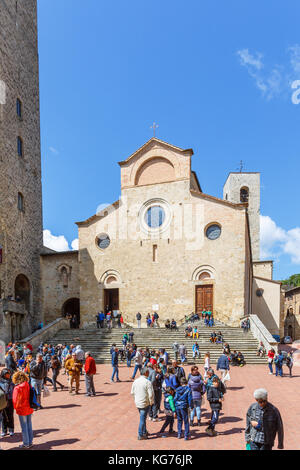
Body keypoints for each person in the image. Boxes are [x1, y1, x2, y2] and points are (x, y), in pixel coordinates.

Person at [12, 371, 34, 449]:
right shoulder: (28, 385)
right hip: (29, 407)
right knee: (29, 425)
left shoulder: (17, 388)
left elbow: (15, 400)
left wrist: (16, 408)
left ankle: (26, 443)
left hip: (22, 409)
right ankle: (30, 442)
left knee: (24, 427)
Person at [131, 367, 154, 440]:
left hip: (138, 402)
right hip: (145, 402)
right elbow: (151, 394)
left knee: (143, 418)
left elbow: (132, 392)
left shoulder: (135, 381)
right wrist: (151, 402)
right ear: (145, 373)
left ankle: (144, 431)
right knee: (142, 419)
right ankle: (140, 434)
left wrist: (135, 400)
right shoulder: (148, 382)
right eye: (148, 372)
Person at [0, 368, 15, 437]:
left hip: (10, 400)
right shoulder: (0, 382)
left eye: (9, 373)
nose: (9, 375)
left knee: (10, 415)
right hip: (3, 401)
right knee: (3, 416)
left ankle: (11, 430)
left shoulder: (12, 382)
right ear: (3, 374)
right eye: (7, 374)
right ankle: (4, 430)